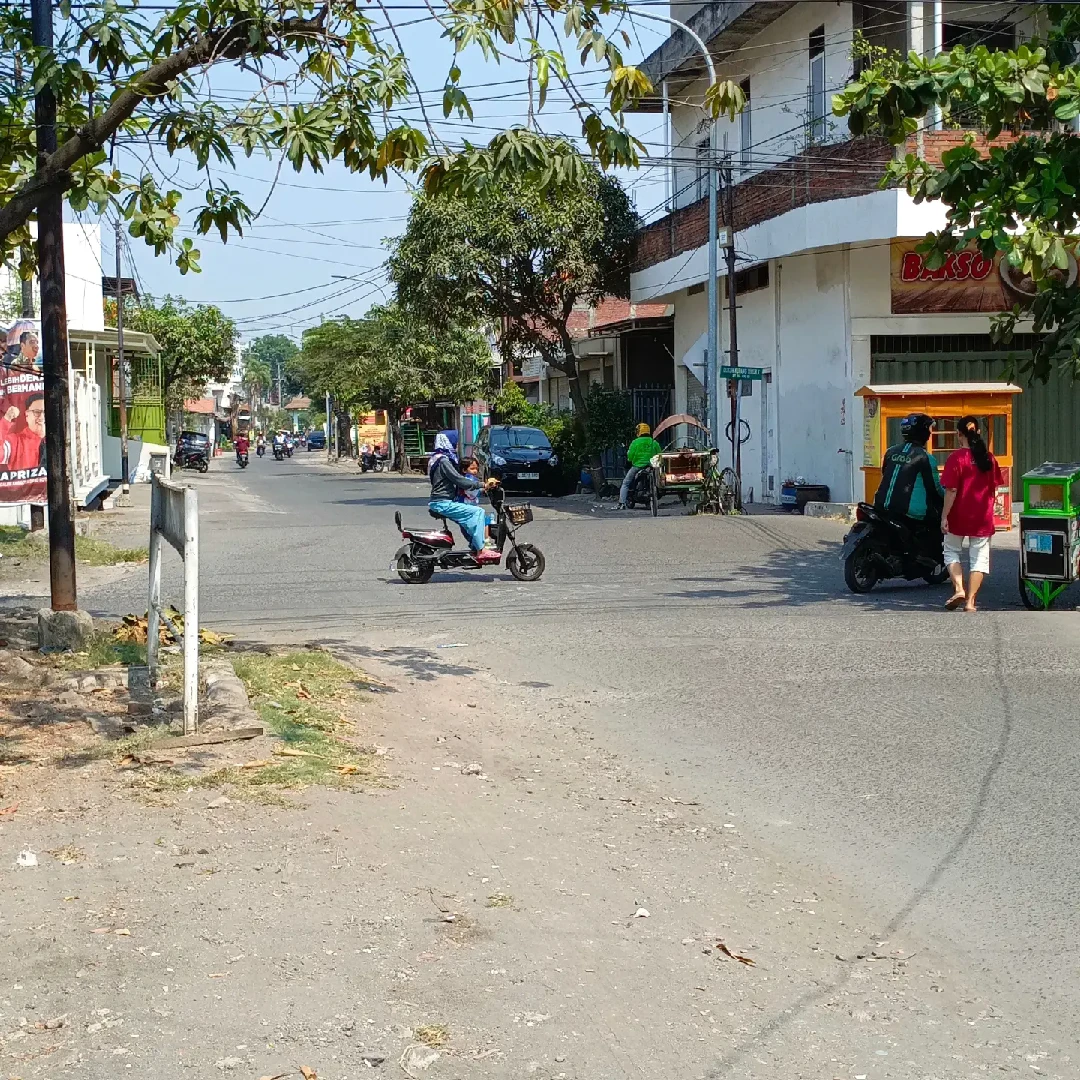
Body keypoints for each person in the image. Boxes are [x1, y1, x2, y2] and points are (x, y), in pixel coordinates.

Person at [940, 416, 1004, 612]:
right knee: (980, 558)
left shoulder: (956, 458)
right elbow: (996, 488)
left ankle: (959, 588)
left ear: (959, 435)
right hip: (981, 517)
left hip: (958, 516)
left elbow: (951, 490)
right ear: (978, 433)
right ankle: (970, 602)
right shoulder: (989, 459)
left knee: (951, 552)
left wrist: (944, 516)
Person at [428, 431, 499, 564]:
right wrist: (482, 484)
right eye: (453, 443)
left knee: (470, 516)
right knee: (479, 512)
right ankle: (481, 550)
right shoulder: (443, 461)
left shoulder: (437, 458)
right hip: (442, 502)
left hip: (442, 501)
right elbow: (458, 479)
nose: (455, 446)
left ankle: (474, 545)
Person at [873, 412, 944, 536]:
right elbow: (935, 490)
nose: (930, 432)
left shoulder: (890, 452)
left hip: (881, 507)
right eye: (928, 428)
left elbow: (885, 474)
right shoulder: (925, 458)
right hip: (910, 515)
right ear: (922, 431)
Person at [616, 423, 663, 509]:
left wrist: (630, 461)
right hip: (651, 466)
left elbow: (630, 456)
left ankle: (621, 503)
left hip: (637, 466)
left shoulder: (635, 442)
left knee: (626, 483)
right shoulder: (653, 442)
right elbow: (659, 454)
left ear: (638, 432)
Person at [0, 392, 46, 470]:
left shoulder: (59, 438)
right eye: (37, 412)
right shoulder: (15, 442)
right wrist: (6, 419)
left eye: (45, 412)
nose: (42, 417)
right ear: (27, 415)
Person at [459, 457, 496, 548]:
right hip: (467, 506)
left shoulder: (468, 479)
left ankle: (476, 544)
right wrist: (486, 487)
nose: (475, 471)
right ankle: (485, 541)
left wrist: (484, 489)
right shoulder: (468, 480)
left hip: (468, 506)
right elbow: (473, 491)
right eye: (472, 469)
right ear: (464, 470)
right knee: (485, 520)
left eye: (476, 468)